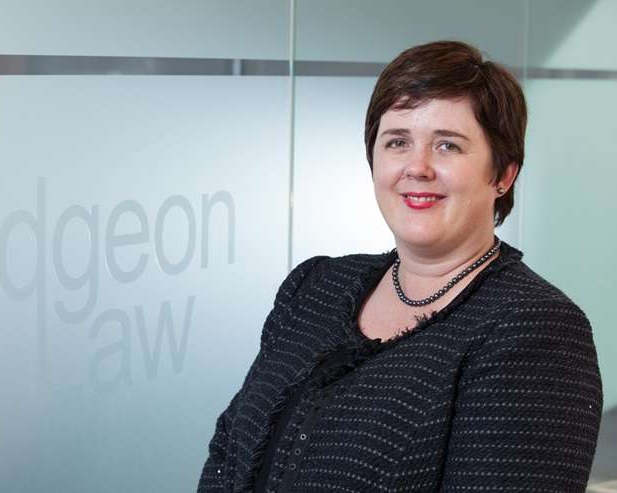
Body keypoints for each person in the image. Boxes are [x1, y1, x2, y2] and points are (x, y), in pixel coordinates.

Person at [197, 40, 602, 492]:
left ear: (503, 174)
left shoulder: (533, 329)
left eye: (447, 145)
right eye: (397, 142)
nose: (417, 167)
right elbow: (228, 452)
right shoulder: (314, 287)